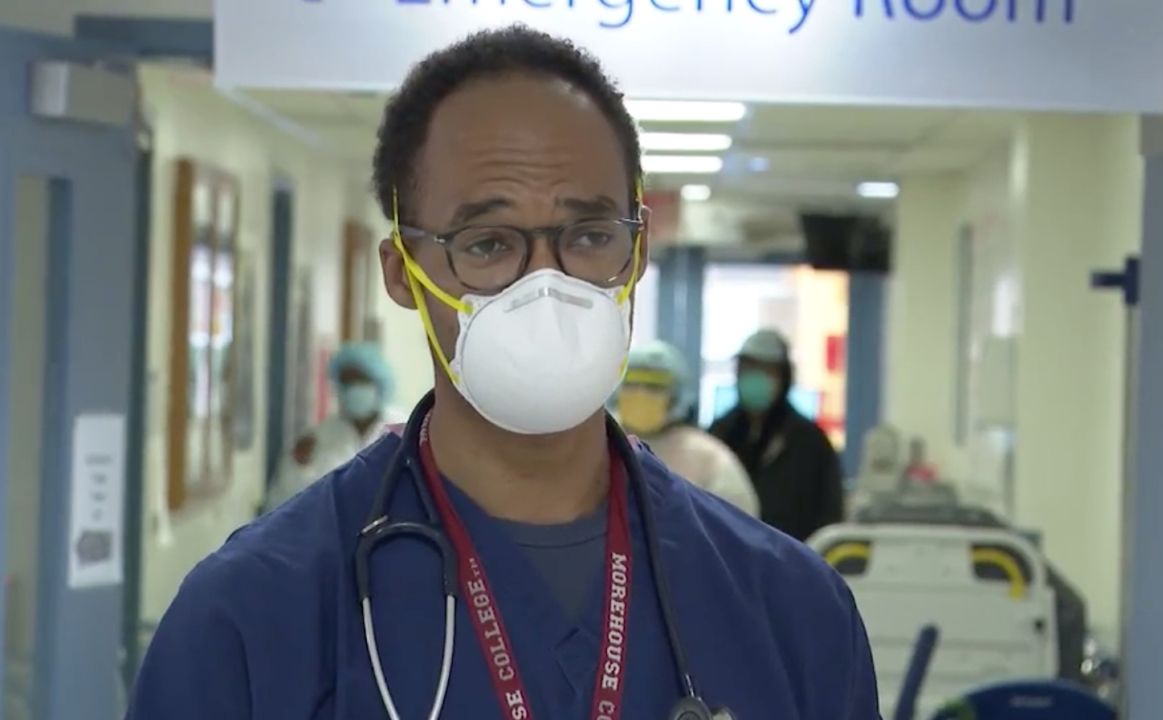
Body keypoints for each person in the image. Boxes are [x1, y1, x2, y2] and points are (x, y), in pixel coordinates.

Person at [127, 28, 879, 720]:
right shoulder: (251, 617)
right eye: (487, 244)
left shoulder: (790, 611)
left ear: (638, 253)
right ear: (403, 272)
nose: (545, 286)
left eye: (589, 235)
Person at [711, 329, 846, 542]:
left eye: (766, 370)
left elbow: (829, 514)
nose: (755, 378)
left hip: (791, 559)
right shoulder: (718, 434)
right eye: (748, 368)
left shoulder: (810, 442)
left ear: (784, 377)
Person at [614, 340, 759, 516]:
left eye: (654, 387)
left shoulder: (709, 459)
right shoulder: (598, 445)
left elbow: (740, 528)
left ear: (677, 395)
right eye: (632, 384)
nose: (641, 393)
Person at [262, 342, 400, 512]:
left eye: (360, 381)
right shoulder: (317, 439)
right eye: (347, 382)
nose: (353, 389)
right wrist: (300, 466)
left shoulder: (405, 431)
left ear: (379, 383)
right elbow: (281, 504)